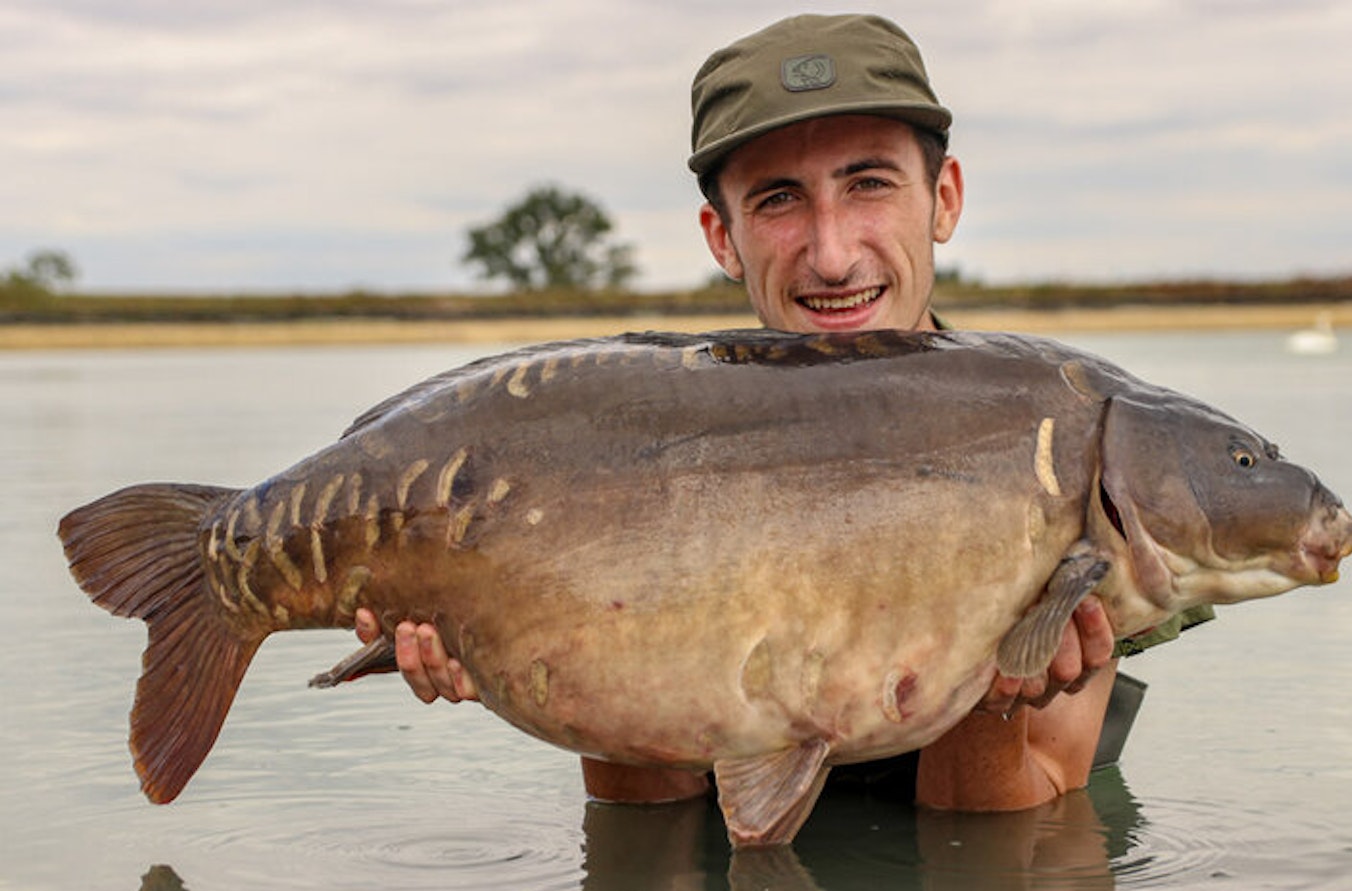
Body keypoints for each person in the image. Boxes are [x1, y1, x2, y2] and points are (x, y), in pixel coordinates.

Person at [354, 13, 1209, 813]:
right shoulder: (639, 425)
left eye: (868, 184)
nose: (832, 255)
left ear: (943, 197)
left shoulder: (1055, 436)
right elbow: (647, 828)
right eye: (777, 200)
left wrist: (997, 695)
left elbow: (1008, 837)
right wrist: (532, 652)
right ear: (721, 236)